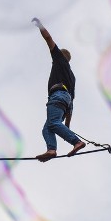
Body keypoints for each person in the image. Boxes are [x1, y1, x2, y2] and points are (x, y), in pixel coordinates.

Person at [32, 18, 86, 162]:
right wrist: (67, 125)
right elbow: (71, 103)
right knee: (47, 128)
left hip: (57, 96)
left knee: (53, 123)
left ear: (61, 56)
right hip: (65, 100)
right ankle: (51, 150)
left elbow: (48, 38)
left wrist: (40, 25)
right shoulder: (71, 76)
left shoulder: (58, 59)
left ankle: (76, 142)